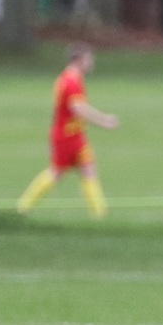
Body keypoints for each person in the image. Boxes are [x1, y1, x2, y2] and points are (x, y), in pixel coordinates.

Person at [16, 44, 119, 219]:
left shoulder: (68, 78)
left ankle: (100, 214)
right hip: (67, 136)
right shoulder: (71, 81)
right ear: (80, 60)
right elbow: (78, 109)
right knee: (56, 173)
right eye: (89, 59)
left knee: (88, 170)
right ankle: (23, 207)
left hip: (75, 135)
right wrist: (103, 120)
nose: (91, 63)